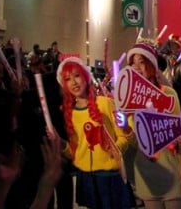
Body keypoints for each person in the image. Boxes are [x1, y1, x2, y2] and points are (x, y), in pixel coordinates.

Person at [57, 56, 133, 208]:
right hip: (86, 177)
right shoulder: (68, 113)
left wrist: (116, 148)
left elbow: (125, 135)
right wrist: (60, 144)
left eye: (77, 76)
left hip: (109, 176)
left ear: (86, 76)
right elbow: (75, 152)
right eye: (68, 79)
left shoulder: (105, 103)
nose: (74, 82)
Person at [126, 41, 181, 209]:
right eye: (133, 63)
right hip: (146, 171)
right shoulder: (128, 100)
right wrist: (124, 126)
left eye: (142, 61)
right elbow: (134, 143)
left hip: (171, 168)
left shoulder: (168, 94)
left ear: (152, 65)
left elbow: (178, 131)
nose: (137, 67)